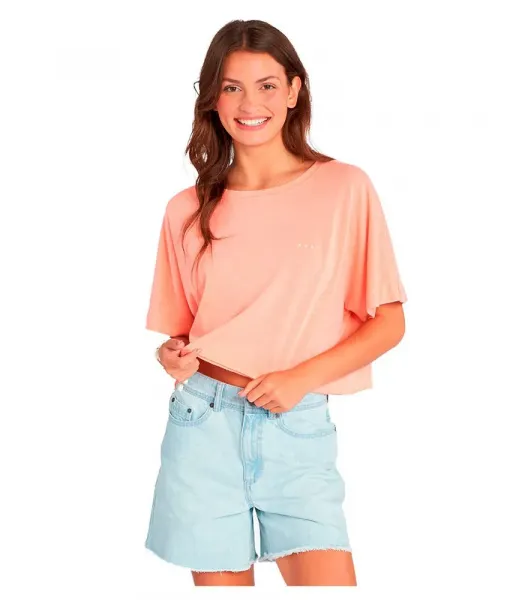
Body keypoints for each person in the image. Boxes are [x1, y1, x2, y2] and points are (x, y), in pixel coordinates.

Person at [144, 19, 408, 587]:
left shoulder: (344, 188)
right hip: (202, 425)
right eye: (232, 87)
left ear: (293, 90)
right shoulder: (184, 209)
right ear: (213, 98)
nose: (249, 103)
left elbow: (389, 323)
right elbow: (184, 332)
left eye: (266, 85)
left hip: (297, 424)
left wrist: (300, 378)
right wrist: (172, 356)